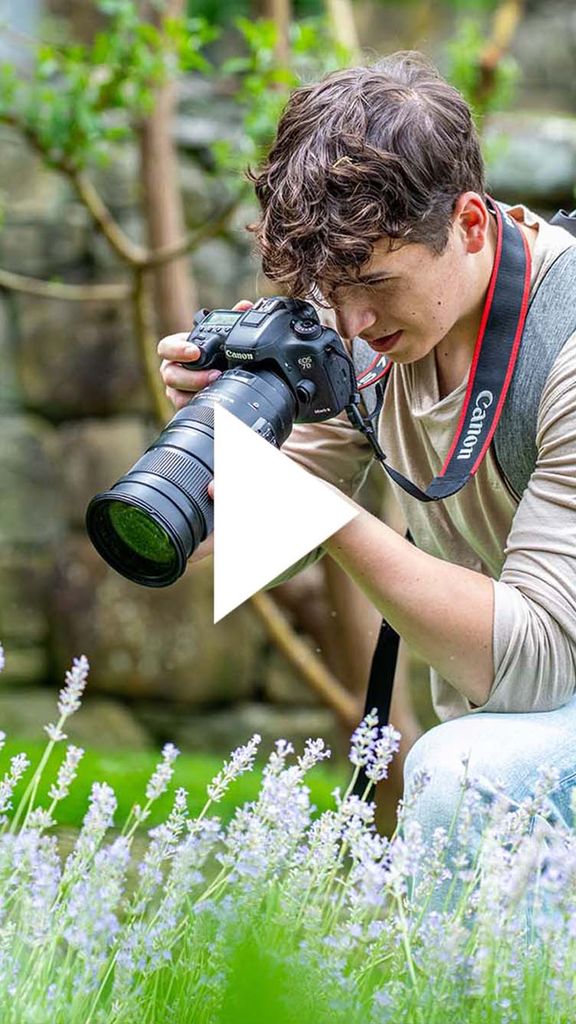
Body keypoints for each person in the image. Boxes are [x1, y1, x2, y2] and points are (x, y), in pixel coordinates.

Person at [158, 52, 576, 869]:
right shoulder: (368, 318)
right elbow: (252, 536)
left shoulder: (563, 349)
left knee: (462, 775)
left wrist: (332, 519)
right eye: (327, 289)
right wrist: (212, 433)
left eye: (375, 282)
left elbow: (542, 665)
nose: (349, 322)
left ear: (469, 224)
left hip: (542, 687)